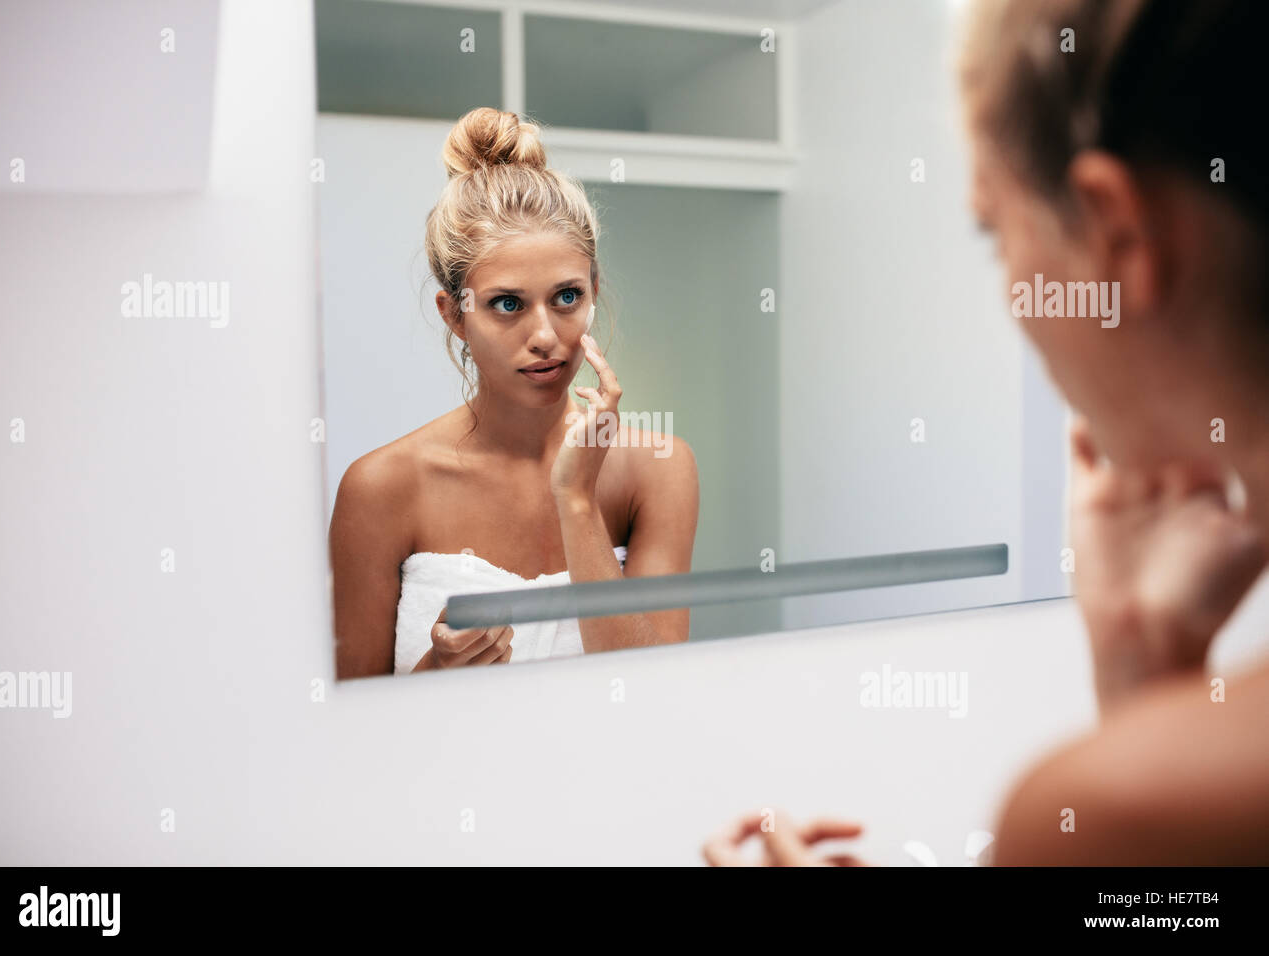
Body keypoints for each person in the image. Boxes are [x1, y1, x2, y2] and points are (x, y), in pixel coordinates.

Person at [706, 0, 1269, 865]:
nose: (1011, 292)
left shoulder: (1088, 814)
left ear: (1116, 233)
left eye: (990, 231)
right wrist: (1145, 670)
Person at [331, 107, 699, 678]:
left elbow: (654, 693)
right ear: (455, 314)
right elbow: (346, 731)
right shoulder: (381, 489)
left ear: (594, 291)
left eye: (567, 297)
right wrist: (437, 673)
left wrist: (576, 498)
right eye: (508, 304)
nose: (547, 337)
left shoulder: (659, 469)